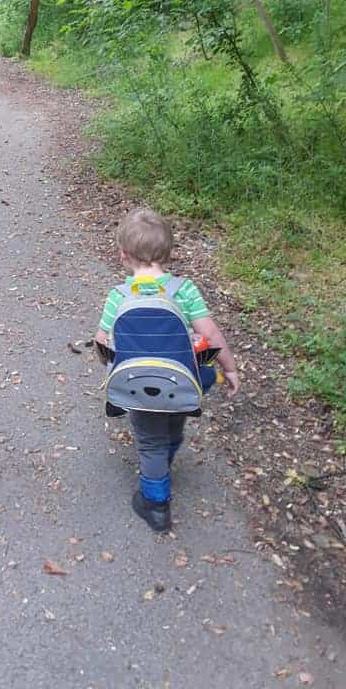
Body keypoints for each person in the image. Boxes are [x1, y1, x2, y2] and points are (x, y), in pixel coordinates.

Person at [95, 208, 239, 532]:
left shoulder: (119, 296)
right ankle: (167, 455)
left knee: (150, 443)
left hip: (137, 383)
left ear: (123, 255)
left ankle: (156, 505)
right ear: (169, 253)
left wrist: (109, 366)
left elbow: (102, 342)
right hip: (180, 382)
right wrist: (228, 369)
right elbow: (210, 336)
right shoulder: (183, 290)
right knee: (172, 426)